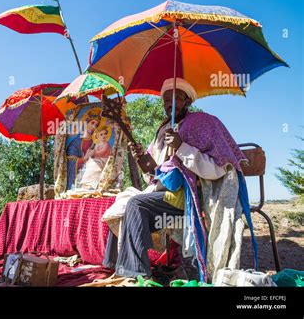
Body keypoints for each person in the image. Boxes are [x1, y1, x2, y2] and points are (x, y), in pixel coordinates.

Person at [102, 77, 255, 283]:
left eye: (177, 99)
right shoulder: (163, 130)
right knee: (121, 204)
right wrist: (142, 159)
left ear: (188, 101)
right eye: (166, 100)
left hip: (190, 198)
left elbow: (217, 169)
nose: (170, 104)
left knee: (136, 204)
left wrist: (182, 146)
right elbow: (155, 171)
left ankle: (136, 272)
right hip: (163, 191)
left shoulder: (202, 123)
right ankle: (115, 267)